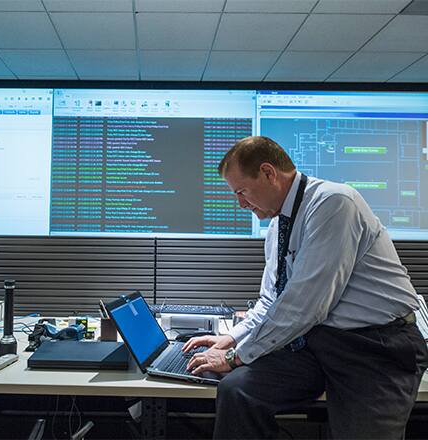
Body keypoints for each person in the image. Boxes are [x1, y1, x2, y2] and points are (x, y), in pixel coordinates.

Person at [183, 136, 428, 439]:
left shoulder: (334, 203)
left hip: (376, 347)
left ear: (269, 173)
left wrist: (235, 357)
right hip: (319, 342)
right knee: (238, 391)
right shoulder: (278, 225)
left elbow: (304, 306)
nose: (241, 203)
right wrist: (230, 339)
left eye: (242, 191)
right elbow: (272, 301)